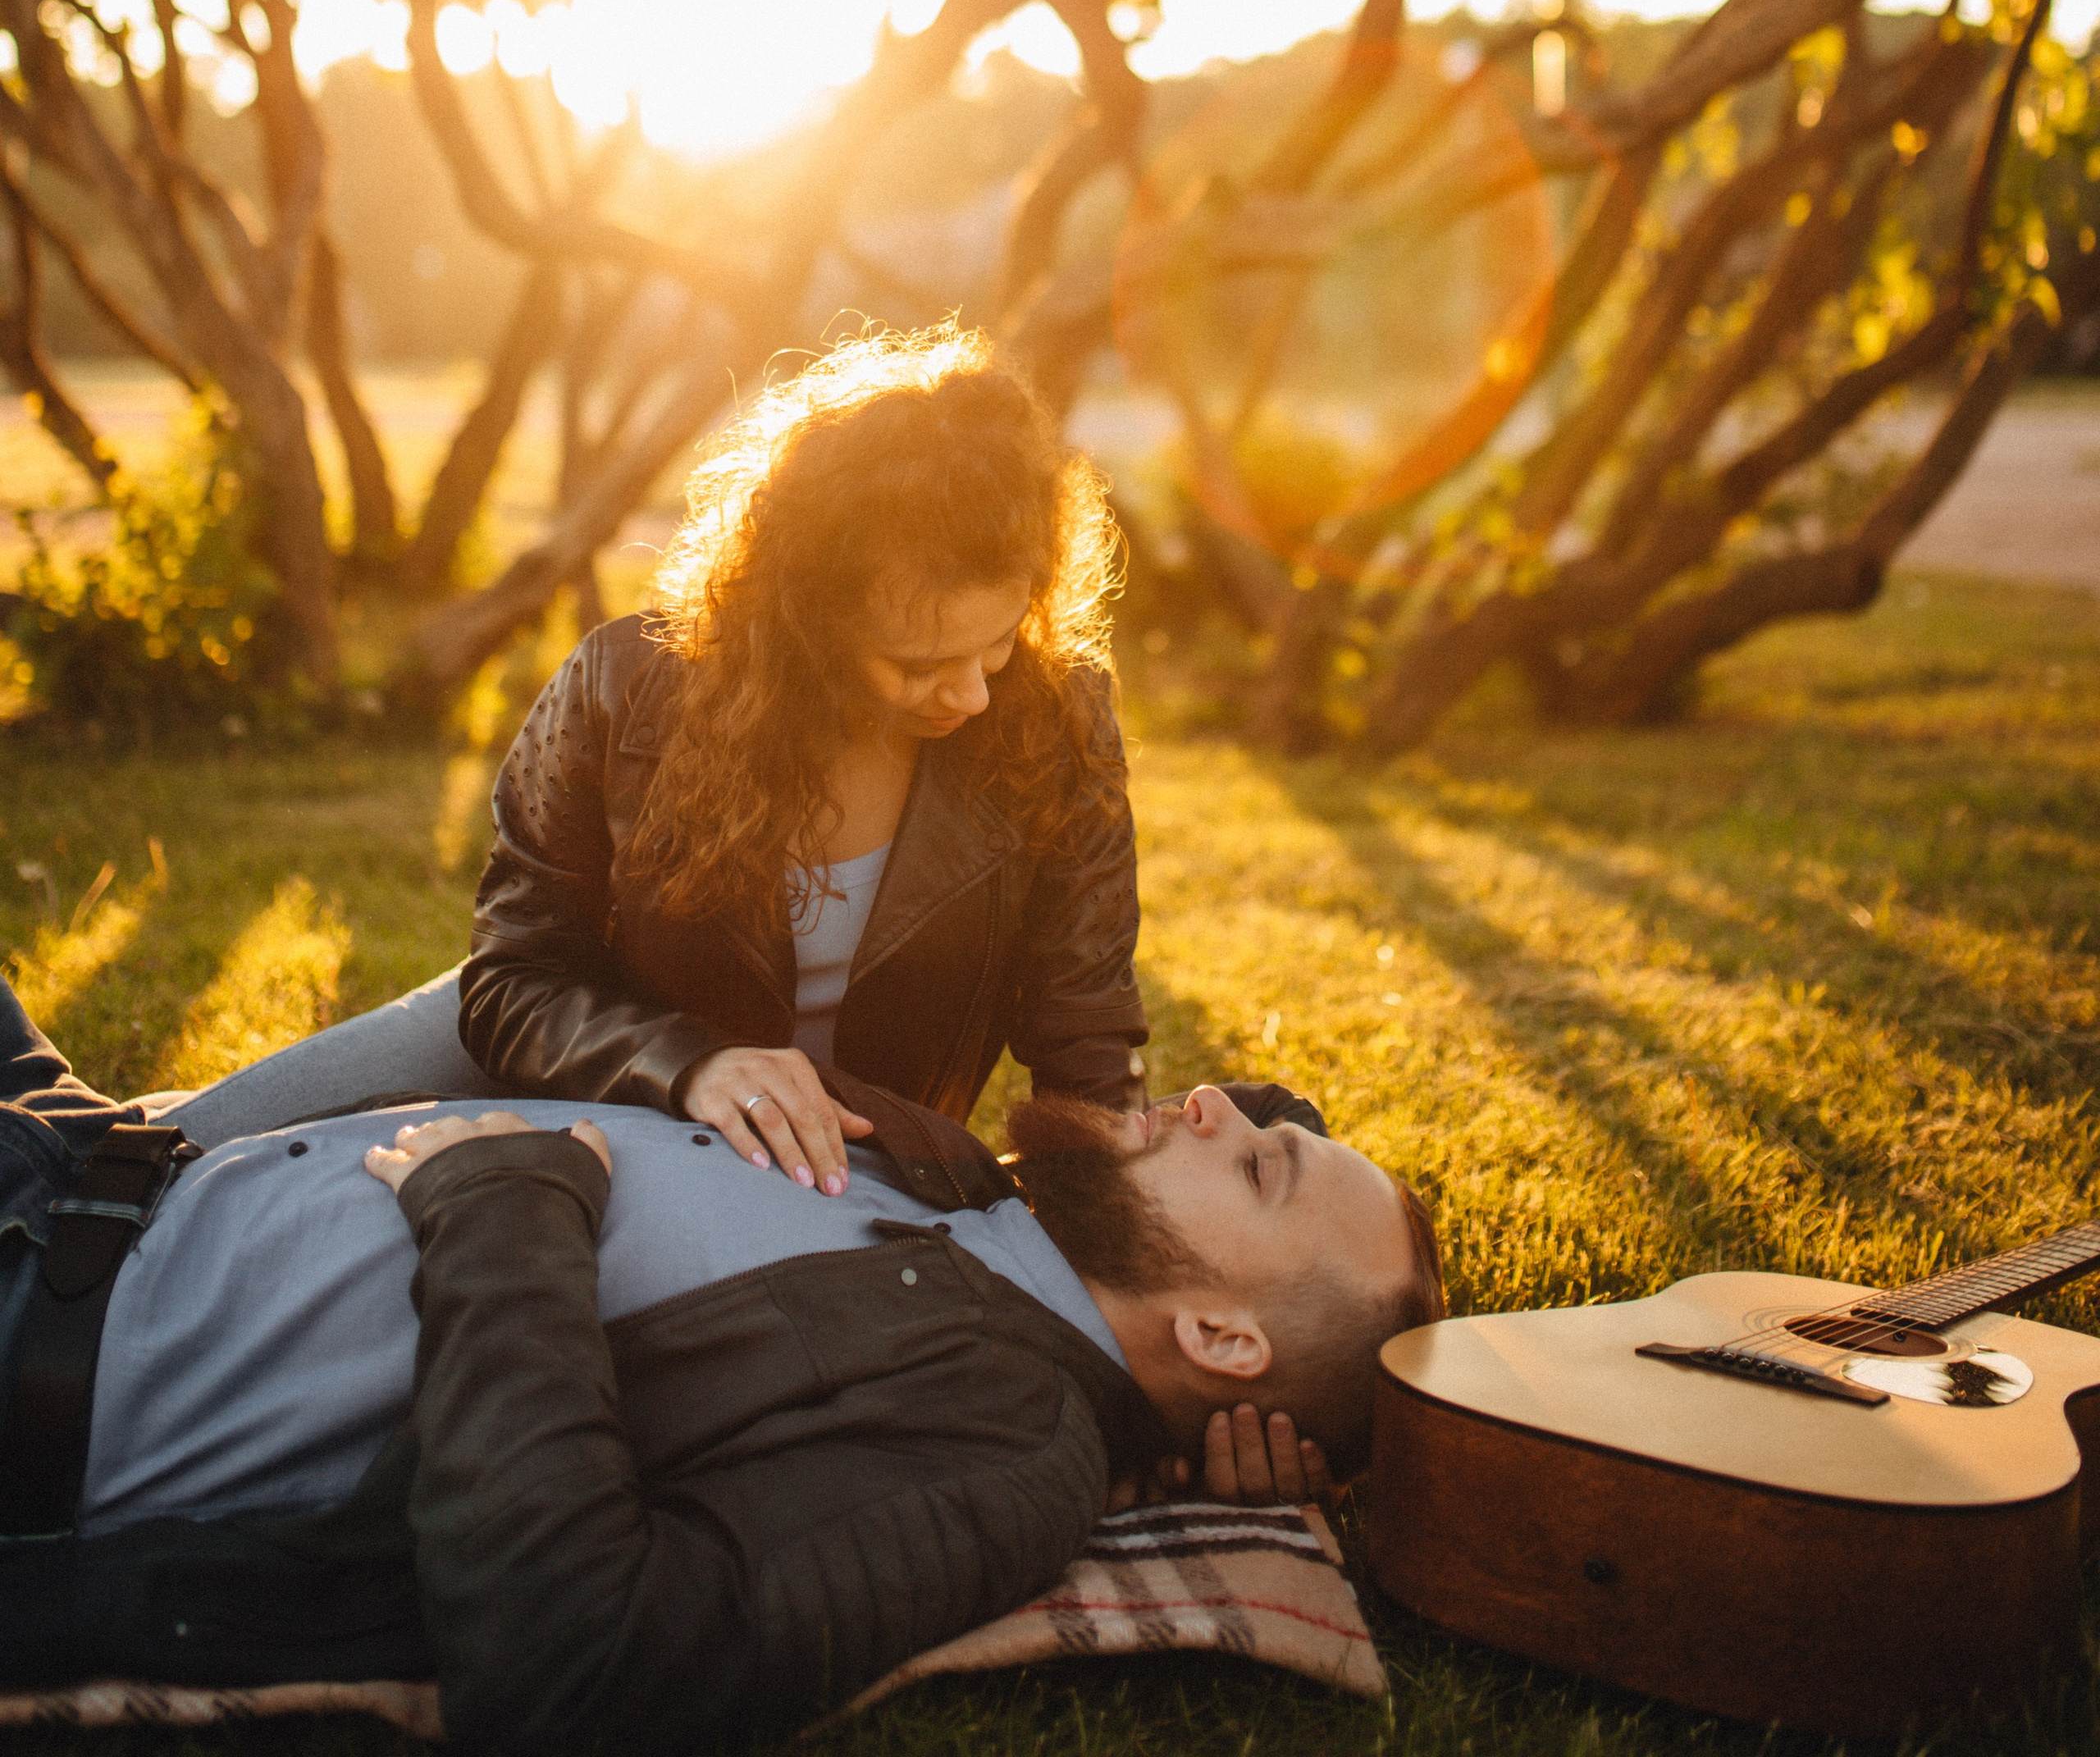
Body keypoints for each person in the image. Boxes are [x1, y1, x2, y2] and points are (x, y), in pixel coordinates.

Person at [0, 972, 1444, 1751]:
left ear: (1222, 1337)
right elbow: (1248, 1177)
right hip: (101, 1156)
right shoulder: (989, 1207)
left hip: (57, 1325)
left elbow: (576, 1672)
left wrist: (502, 1204)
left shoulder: (1009, 1442)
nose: (1213, 1103)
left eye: (1258, 1162)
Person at [171, 329, 1146, 1189]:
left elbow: (1085, 1032)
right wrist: (692, 1064)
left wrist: (1111, 1238)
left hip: (820, 1166)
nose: (974, 694)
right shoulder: (626, 686)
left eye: (998, 642)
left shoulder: (1058, 720)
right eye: (919, 663)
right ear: (806, 613)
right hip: (595, 1072)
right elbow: (515, 982)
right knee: (170, 1151)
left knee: (269, 1199)